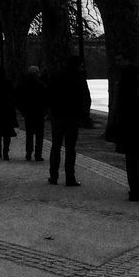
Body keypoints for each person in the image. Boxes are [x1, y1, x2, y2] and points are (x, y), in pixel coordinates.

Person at [47, 55, 91, 187]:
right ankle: (70, 177)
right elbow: (85, 97)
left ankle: (53, 176)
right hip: (72, 116)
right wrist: (84, 115)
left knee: (56, 146)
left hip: (58, 115)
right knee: (70, 148)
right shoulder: (79, 77)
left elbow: (49, 94)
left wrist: (51, 110)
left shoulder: (56, 75)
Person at [111, 64, 139, 201]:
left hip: (127, 128)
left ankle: (134, 191)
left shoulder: (121, 88)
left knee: (131, 161)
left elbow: (117, 108)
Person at [16, 65, 48, 161]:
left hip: (28, 112)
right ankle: (38, 154)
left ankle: (28, 153)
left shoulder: (22, 84)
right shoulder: (41, 84)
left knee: (29, 134)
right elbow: (46, 99)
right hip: (39, 112)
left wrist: (22, 110)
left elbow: (18, 98)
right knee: (39, 134)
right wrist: (45, 111)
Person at [0, 66, 18, 159]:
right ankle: (5, 151)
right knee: (7, 132)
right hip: (7, 110)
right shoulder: (8, 83)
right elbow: (13, 95)